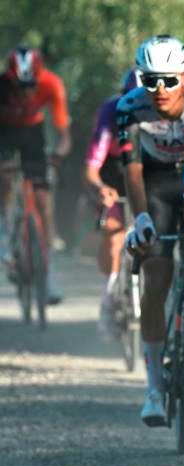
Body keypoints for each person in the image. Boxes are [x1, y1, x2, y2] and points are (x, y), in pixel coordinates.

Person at [118, 35, 184, 426]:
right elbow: (130, 169)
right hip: (158, 185)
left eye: (168, 80)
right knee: (156, 276)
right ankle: (154, 388)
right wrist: (140, 217)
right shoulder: (129, 108)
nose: (159, 90)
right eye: (149, 81)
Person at [0, 46, 71, 303]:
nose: (26, 92)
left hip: (33, 132)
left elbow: (64, 136)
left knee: (43, 200)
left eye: (30, 85)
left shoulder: (52, 84)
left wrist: (57, 158)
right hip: (5, 132)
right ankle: (6, 235)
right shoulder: (2, 87)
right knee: (6, 181)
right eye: (20, 86)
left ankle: (48, 271)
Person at [84, 68, 142, 337]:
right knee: (114, 235)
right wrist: (100, 188)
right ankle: (108, 298)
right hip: (112, 174)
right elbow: (92, 167)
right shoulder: (110, 113)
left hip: (144, 173)